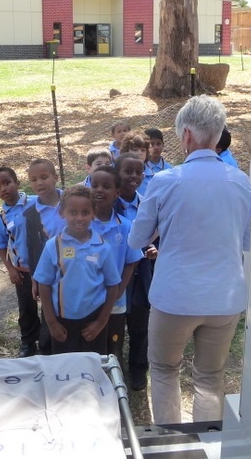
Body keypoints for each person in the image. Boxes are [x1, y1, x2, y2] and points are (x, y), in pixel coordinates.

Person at [129, 95, 251, 424]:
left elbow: (136, 240)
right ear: (218, 133)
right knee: (210, 378)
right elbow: (245, 242)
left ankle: (172, 443)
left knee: (164, 370)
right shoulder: (241, 182)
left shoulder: (165, 182)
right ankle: (207, 443)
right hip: (225, 299)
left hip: (175, 297)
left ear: (186, 135)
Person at [33, 185, 121, 354]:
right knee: (65, 369)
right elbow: (43, 285)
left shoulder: (103, 247)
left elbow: (112, 287)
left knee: (93, 366)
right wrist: (52, 323)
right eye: (73, 212)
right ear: (62, 213)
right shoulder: (53, 246)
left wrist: (101, 322)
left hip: (93, 320)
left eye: (85, 212)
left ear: (93, 213)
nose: (79, 218)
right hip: (62, 321)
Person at [90, 165, 143, 364]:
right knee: (91, 346)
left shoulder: (125, 226)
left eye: (106, 186)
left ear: (117, 193)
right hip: (87, 300)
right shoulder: (81, 225)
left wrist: (120, 290)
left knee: (114, 347)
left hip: (115, 302)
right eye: (94, 185)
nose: (99, 190)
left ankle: (115, 385)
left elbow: (131, 261)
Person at [114, 152, 156, 390]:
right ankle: (115, 369)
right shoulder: (109, 205)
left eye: (139, 172)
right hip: (118, 276)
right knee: (116, 326)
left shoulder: (147, 204)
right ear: (117, 173)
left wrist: (153, 251)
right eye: (127, 171)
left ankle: (139, 370)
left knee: (141, 324)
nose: (133, 176)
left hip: (142, 275)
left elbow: (155, 237)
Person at [0, 167, 41, 358]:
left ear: (17, 183)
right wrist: (10, 268)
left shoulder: (36, 203)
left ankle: (48, 339)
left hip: (45, 267)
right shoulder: (1, 217)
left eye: (6, 183)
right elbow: (1, 245)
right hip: (22, 270)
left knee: (50, 304)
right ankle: (28, 341)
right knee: (26, 308)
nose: (3, 189)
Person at [24, 158, 66, 355]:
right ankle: (48, 351)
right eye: (33, 180)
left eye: (44, 177)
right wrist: (35, 278)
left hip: (74, 265)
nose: (39, 183)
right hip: (48, 271)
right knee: (49, 309)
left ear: (55, 178)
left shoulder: (70, 200)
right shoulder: (31, 214)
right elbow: (32, 249)